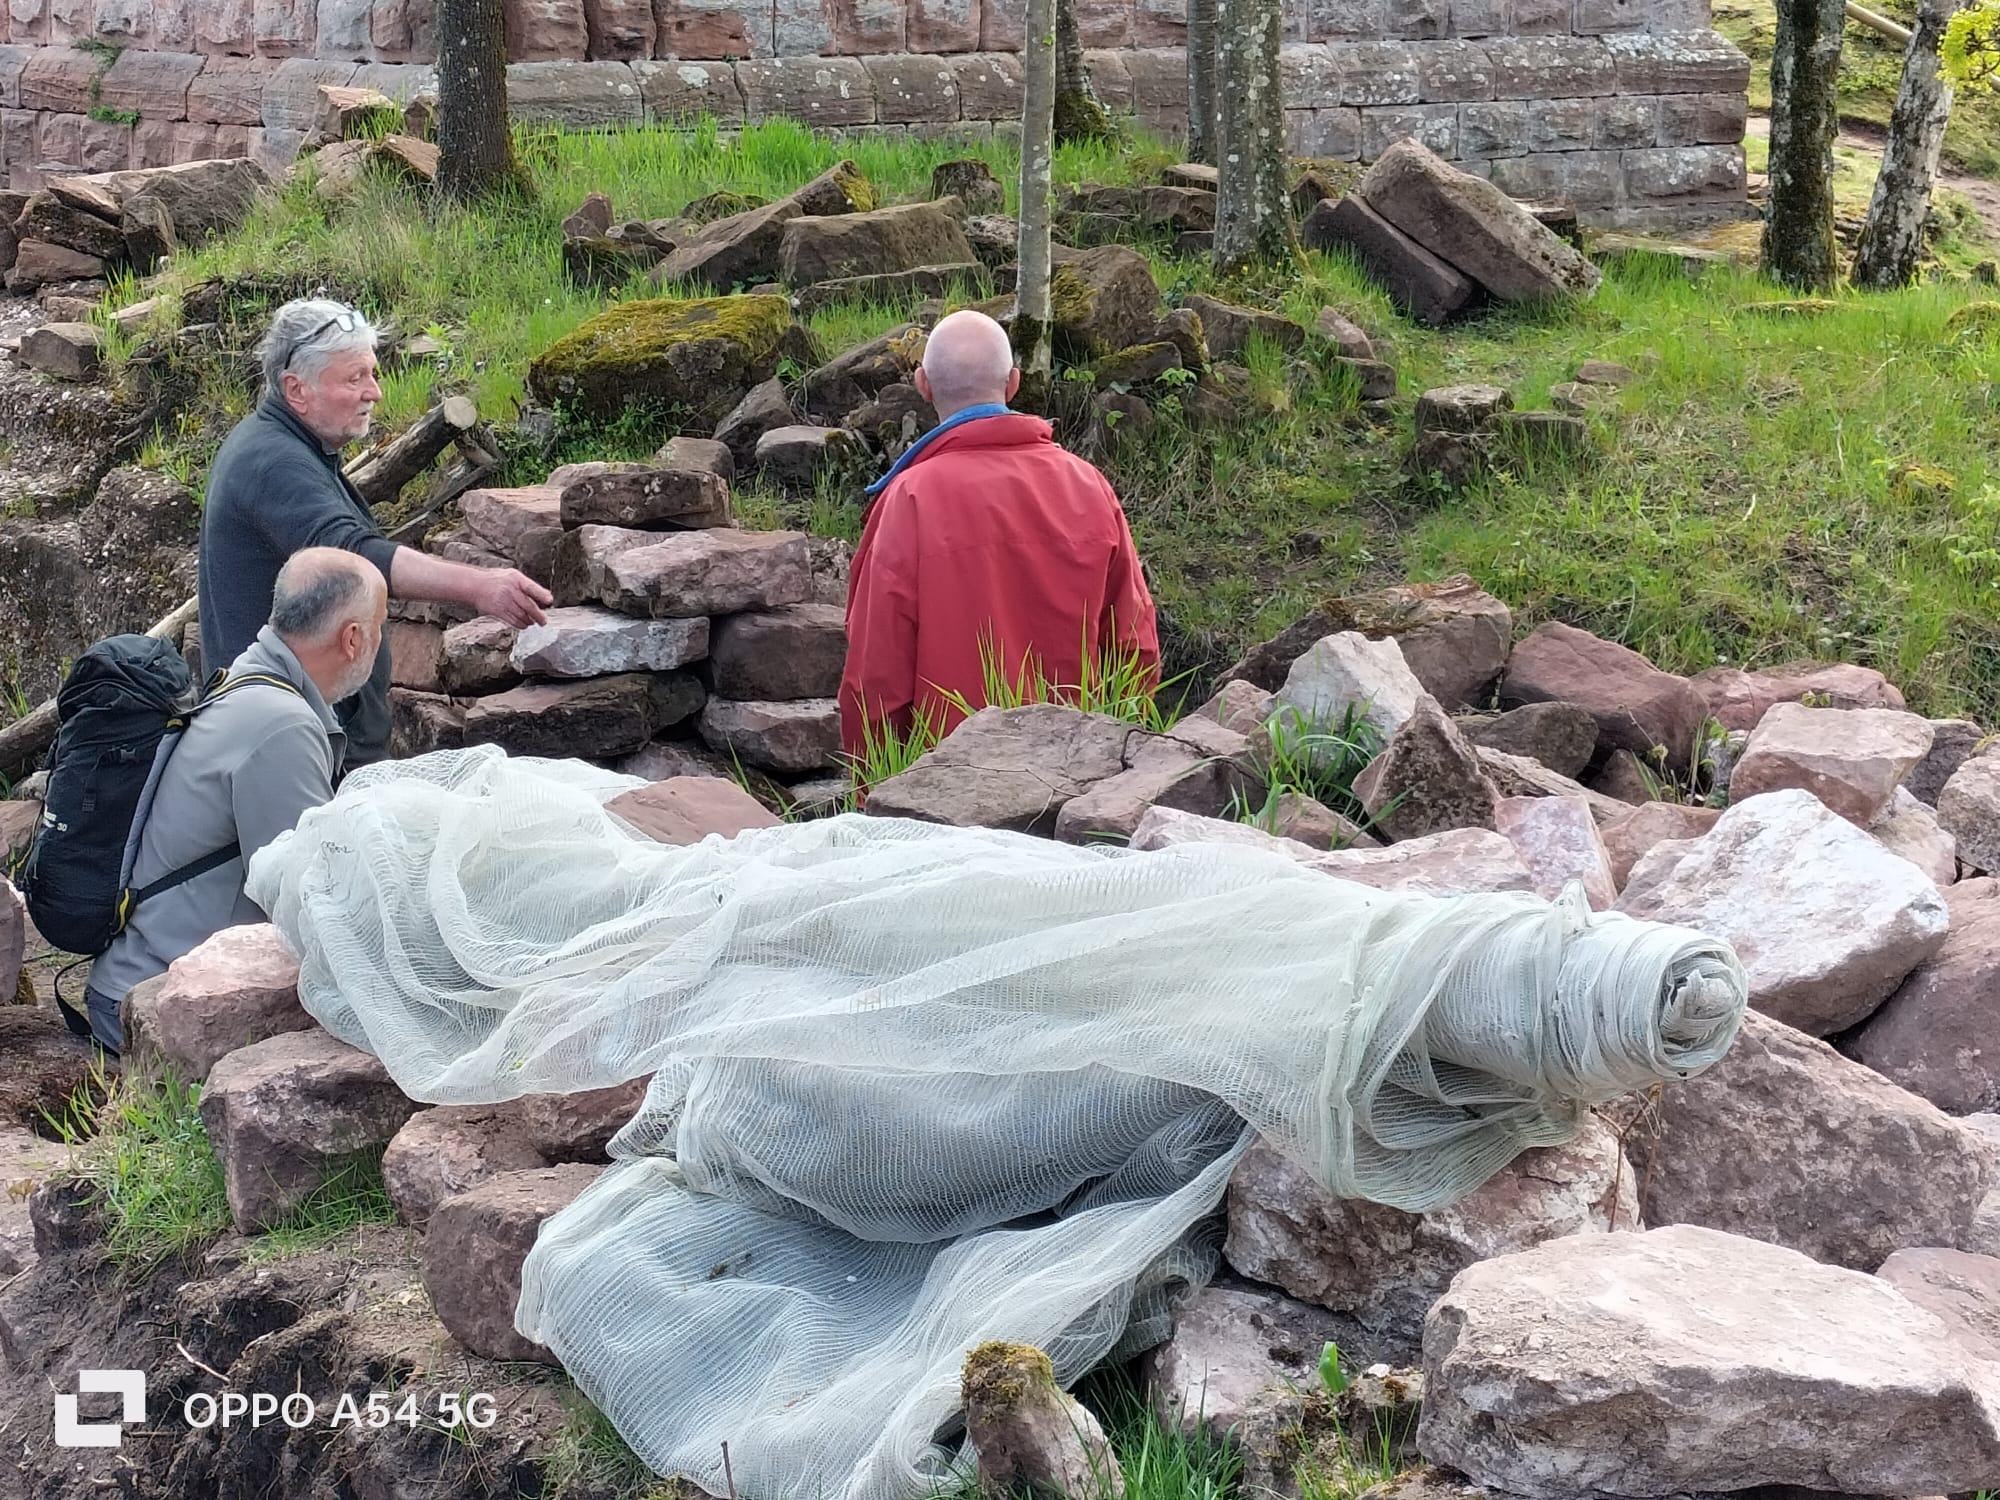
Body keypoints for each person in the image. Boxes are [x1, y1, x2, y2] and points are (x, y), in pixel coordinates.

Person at [199, 298, 552, 769]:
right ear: (296, 389)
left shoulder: (285, 446)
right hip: (291, 747)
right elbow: (354, 557)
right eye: (355, 378)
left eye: (373, 373)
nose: (376, 392)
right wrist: (480, 586)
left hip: (302, 733)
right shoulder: (273, 463)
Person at [81, 549, 389, 1053]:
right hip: (157, 1007)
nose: (381, 639)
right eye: (380, 625)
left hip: (139, 978)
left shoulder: (247, 679)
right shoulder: (282, 725)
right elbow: (312, 896)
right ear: (353, 638)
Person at [837, 309, 1160, 757]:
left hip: (946, 781)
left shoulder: (908, 500)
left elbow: (875, 674)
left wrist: (876, 787)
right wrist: (1117, 768)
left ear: (922, 384)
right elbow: (1134, 646)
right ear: (1013, 383)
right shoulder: (1088, 485)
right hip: (1075, 773)